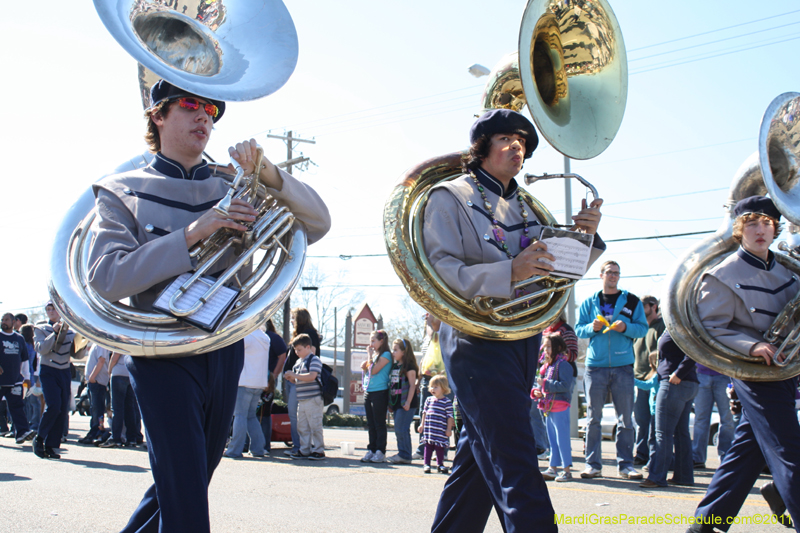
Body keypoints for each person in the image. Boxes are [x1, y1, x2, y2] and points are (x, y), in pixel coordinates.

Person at [85, 79, 330, 532]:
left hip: (225, 347)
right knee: (186, 502)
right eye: (191, 105)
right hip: (161, 350)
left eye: (212, 110)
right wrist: (194, 233)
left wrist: (270, 172)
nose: (205, 116)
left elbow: (317, 222)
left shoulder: (231, 182)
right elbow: (106, 277)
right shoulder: (123, 190)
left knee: (185, 483)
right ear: (158, 114)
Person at [423, 109, 604, 532]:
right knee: (516, 458)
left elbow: (557, 274)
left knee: (479, 458)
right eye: (505, 138)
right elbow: (439, 273)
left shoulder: (526, 203)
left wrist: (585, 237)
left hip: (521, 337)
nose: (516, 146)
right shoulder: (448, 196)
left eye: (522, 141)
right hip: (473, 337)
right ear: (482, 147)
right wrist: (511, 272)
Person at [686, 196, 800, 533]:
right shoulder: (723, 273)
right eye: (751, 222)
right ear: (739, 229)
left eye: (767, 223)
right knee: (788, 449)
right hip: (753, 370)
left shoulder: (787, 270)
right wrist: (752, 345)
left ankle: (706, 523)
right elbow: (711, 326)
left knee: (748, 448)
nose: (760, 229)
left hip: (784, 368)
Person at [576, 260, 648, 480]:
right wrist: (592, 327)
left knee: (626, 419)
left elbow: (643, 328)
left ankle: (626, 465)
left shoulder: (632, 301)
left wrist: (626, 327)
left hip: (623, 366)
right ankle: (593, 465)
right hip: (595, 366)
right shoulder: (590, 302)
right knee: (593, 418)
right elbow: (579, 329)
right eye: (609, 272)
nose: (613, 276)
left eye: (617, 273)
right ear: (601, 275)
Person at [639, 330, 698, 488]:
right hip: (686, 383)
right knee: (681, 433)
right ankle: (683, 476)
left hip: (675, 383)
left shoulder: (678, 326)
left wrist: (679, 372)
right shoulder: (678, 326)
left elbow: (694, 350)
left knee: (662, 433)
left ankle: (656, 477)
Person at [33, 302, 75, 459]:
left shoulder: (70, 331)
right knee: (54, 406)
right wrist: (54, 333)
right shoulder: (41, 328)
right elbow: (41, 348)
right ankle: (39, 438)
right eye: (48, 309)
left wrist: (82, 343)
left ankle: (52, 445)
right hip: (48, 370)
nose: (51, 312)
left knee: (62, 409)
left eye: (53, 309)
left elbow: (76, 353)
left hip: (64, 371)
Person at [534, 333, 575, 482]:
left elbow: (565, 385)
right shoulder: (547, 366)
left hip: (560, 407)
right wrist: (537, 391)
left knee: (562, 439)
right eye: (545, 347)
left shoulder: (563, 365)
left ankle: (567, 470)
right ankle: (553, 467)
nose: (546, 350)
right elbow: (542, 385)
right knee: (551, 439)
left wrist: (544, 384)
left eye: (549, 347)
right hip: (548, 407)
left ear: (558, 347)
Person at [226, 329, 271, 458]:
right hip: (259, 382)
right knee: (251, 416)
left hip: (245, 381)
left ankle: (234, 450)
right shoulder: (265, 337)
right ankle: (258, 448)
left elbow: (233, 352)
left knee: (239, 415)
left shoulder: (246, 336)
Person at [282, 308, 321, 457]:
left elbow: (312, 357)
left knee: (300, 417)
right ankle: (300, 447)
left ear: (300, 319)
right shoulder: (297, 336)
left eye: (293, 318)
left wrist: (296, 375)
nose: (291, 321)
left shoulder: (310, 335)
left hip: (302, 383)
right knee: (296, 415)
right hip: (293, 380)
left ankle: (302, 447)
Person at [632, 295, 665, 466]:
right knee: (640, 421)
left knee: (655, 423)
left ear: (653, 306)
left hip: (656, 382)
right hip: (638, 380)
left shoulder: (662, 327)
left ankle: (656, 457)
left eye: (642, 305)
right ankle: (641, 454)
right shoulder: (639, 327)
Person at [691, 363, 735, 469]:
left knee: (727, 419)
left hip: (725, 374)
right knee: (700, 419)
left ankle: (725, 457)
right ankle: (697, 458)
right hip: (701, 374)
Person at [0, 312, 35, 445]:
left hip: (15, 380)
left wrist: (26, 378)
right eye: (2, 320)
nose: (4, 322)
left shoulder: (19, 338)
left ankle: (21, 433)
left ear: (14, 321)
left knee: (17, 407)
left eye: (7, 319)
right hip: (1, 381)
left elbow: (25, 360)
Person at [413, 313, 444, 460]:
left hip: (439, 379)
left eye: (429, 316)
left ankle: (440, 450)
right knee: (424, 413)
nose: (426, 318)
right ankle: (423, 448)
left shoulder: (437, 332)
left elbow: (434, 335)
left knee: (440, 415)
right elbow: (423, 358)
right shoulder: (426, 337)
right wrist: (419, 379)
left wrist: (432, 319)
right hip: (426, 378)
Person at [359, 329, 392, 463]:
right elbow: (366, 367)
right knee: (371, 423)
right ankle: (371, 449)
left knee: (379, 423)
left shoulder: (386, 355)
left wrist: (368, 356)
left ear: (381, 341)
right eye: (370, 341)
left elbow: (374, 369)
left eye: (373, 341)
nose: (371, 344)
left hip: (380, 391)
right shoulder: (376, 355)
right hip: (369, 391)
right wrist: (367, 362)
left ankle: (380, 450)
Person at [100, 352, 142, 448]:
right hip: (130, 374)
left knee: (117, 408)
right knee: (130, 408)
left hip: (118, 373)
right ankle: (132, 438)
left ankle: (116, 438)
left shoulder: (122, 337)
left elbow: (115, 356)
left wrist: (109, 370)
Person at [388, 337, 419, 464]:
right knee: (399, 429)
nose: (393, 352)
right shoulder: (395, 366)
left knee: (401, 428)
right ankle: (404, 453)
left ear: (404, 352)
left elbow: (412, 385)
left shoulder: (409, 366)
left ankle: (405, 455)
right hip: (396, 402)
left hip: (407, 403)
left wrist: (408, 402)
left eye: (395, 350)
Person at [418, 374, 454, 474]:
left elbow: (450, 417)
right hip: (430, 430)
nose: (433, 389)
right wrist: (422, 425)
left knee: (439, 448)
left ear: (443, 388)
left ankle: (440, 464)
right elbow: (424, 413)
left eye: (436, 387)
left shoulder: (446, 402)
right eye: (431, 386)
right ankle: (427, 464)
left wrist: (448, 429)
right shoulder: (428, 400)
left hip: (440, 430)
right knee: (428, 447)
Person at [261, 319, 287, 449]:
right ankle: (250, 444)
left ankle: (264, 444)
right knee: (251, 413)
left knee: (264, 412)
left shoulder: (273, 338)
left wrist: (274, 376)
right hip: (254, 378)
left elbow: (283, 356)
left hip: (268, 379)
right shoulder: (254, 336)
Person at [78, 343, 110, 445]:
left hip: (97, 381)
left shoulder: (101, 344)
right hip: (95, 382)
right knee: (95, 409)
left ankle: (96, 431)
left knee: (97, 409)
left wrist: (92, 377)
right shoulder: (97, 344)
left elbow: (101, 361)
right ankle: (97, 431)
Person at [20, 324, 42, 434]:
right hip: (33, 375)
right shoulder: (34, 345)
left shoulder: (23, 345)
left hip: (25, 375)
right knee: (33, 401)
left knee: (26, 401)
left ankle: (30, 423)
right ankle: (34, 423)